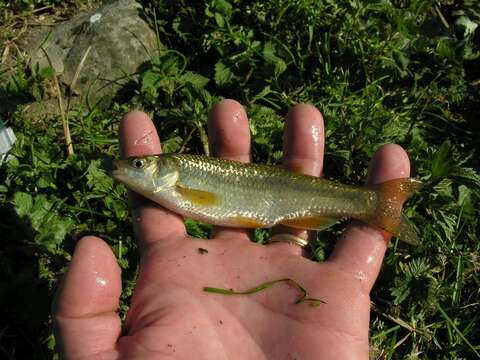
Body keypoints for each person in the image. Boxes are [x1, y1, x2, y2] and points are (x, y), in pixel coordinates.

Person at [52, 100, 411, 359]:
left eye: (140, 165)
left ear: (165, 170)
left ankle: (375, 203)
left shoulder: (180, 178)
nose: (131, 168)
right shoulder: (172, 183)